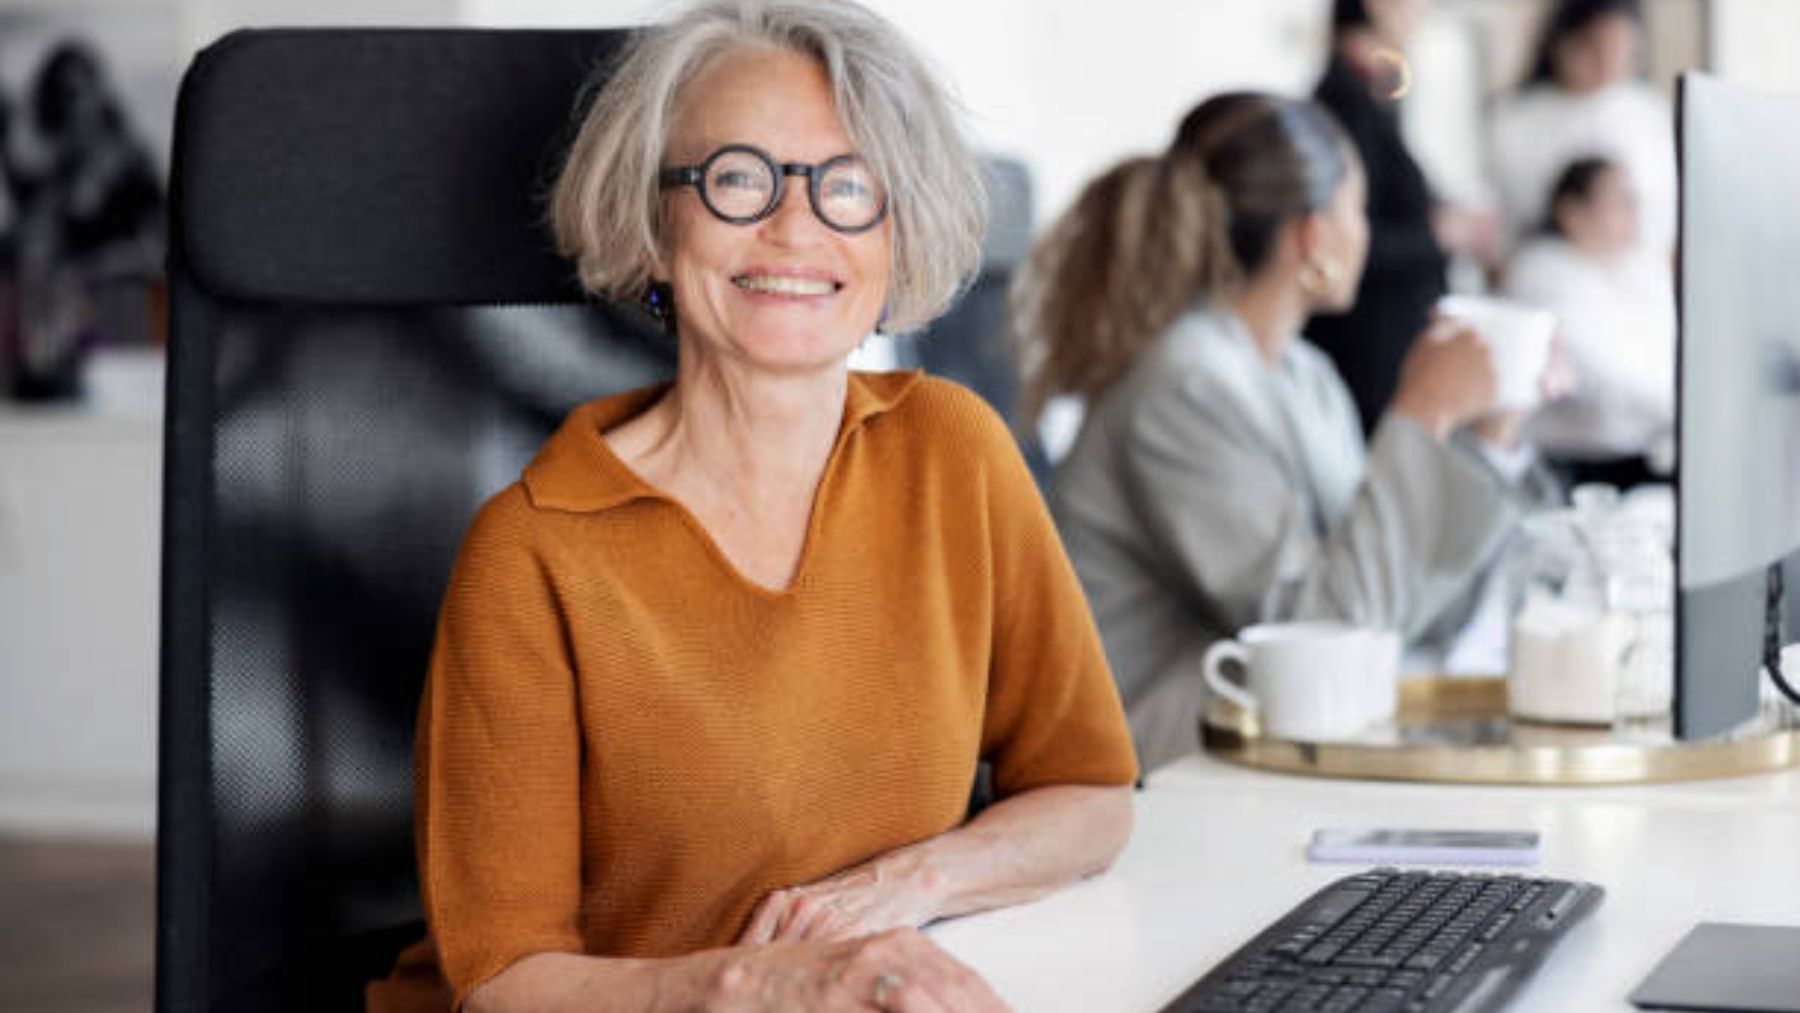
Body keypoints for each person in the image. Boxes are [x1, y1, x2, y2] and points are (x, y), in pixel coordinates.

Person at [368, 2, 1139, 1011]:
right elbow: (502, 981)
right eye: (738, 178)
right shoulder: (534, 549)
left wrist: (902, 888)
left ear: (896, 239)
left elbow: (1091, 794)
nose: (795, 224)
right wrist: (763, 981)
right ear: (654, 226)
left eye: (849, 185)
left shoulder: (955, 454)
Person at [1017, 93, 1556, 772]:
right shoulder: (1187, 388)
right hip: (1160, 770)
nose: (1366, 230)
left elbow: (1392, 609)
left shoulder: (1306, 378)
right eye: (1357, 210)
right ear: (1314, 236)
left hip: (1265, 738)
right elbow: (1323, 629)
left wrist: (1491, 436)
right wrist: (1422, 412)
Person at [1306, 0, 1499, 434]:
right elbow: (1343, 237)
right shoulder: (1343, 101)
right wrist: (1442, 234)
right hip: (1369, 352)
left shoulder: (1378, 93)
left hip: (1389, 343)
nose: (1424, 9)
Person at [1504, 157, 1673, 488]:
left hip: (1643, 453)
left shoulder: (1639, 268)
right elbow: (1604, 375)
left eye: (1634, 202)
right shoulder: (1542, 276)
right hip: (1575, 466)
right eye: (1620, 202)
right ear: (1571, 212)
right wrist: (1687, 405)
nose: (1633, 216)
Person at [1488, 0, 1675, 261]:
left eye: (1621, 51)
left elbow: (1669, 219)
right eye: (1597, 49)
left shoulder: (1650, 113)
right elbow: (1501, 226)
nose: (1608, 64)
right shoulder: (1516, 121)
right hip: (1550, 275)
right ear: (1562, 43)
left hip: (1641, 279)